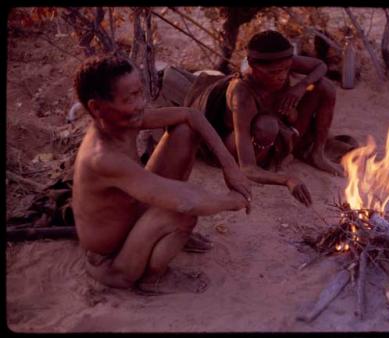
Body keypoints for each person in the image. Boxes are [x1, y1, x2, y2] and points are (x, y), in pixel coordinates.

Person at [72, 55, 252, 294]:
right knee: (181, 213)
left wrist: (229, 164)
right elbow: (185, 201)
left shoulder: (120, 120)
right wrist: (233, 201)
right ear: (97, 107)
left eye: (139, 94)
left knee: (185, 131)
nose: (140, 104)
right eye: (129, 98)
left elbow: (191, 115)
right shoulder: (102, 157)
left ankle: (162, 236)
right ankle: (153, 278)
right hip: (114, 264)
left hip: (132, 218)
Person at [186, 30, 355, 207]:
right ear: (252, 65)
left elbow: (320, 66)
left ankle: (317, 153)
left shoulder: (280, 62)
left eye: (286, 69)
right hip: (248, 143)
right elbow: (247, 168)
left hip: (281, 126)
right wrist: (287, 180)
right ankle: (273, 160)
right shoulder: (242, 96)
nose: (282, 76)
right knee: (267, 126)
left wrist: (301, 86)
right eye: (273, 72)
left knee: (325, 87)